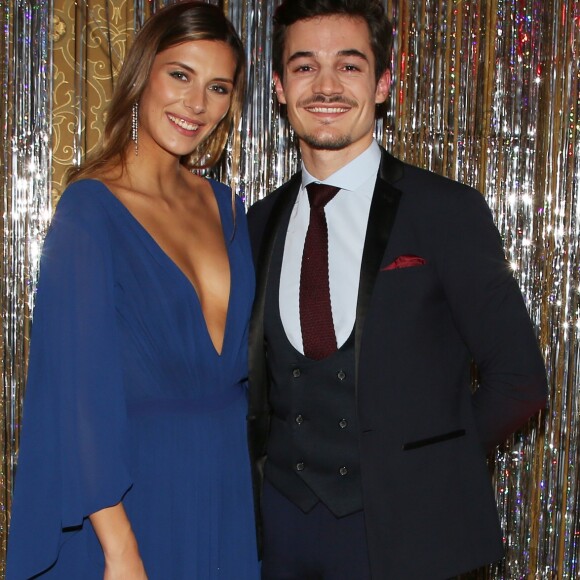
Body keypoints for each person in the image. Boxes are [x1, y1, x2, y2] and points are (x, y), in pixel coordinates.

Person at [246, 0, 548, 578]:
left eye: (350, 66)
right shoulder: (256, 226)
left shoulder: (446, 212)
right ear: (280, 87)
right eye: (305, 66)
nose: (327, 86)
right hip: (278, 533)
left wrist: (427, 467)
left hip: (410, 537)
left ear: (384, 83)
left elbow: (520, 380)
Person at [7, 2, 259, 578]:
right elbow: (75, 398)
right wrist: (121, 551)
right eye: (180, 75)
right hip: (126, 501)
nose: (196, 105)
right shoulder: (89, 211)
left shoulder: (228, 208)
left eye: (218, 87)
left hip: (223, 490)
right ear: (143, 73)